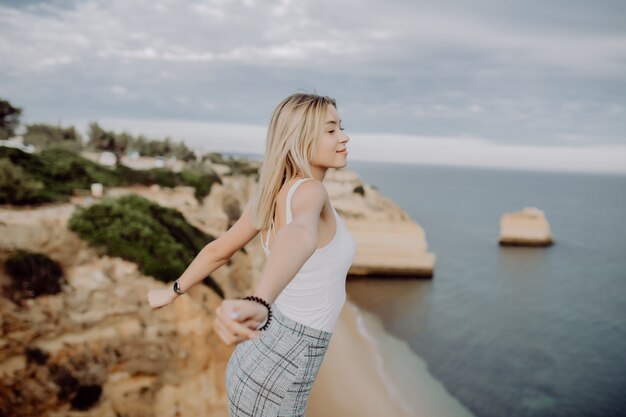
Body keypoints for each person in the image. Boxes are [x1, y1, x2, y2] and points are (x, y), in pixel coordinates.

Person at [147, 92, 356, 417]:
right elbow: (298, 234)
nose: (344, 137)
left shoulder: (271, 194)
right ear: (299, 138)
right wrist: (260, 300)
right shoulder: (311, 191)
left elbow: (218, 251)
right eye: (331, 130)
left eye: (340, 127)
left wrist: (171, 291)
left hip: (257, 359)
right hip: (283, 369)